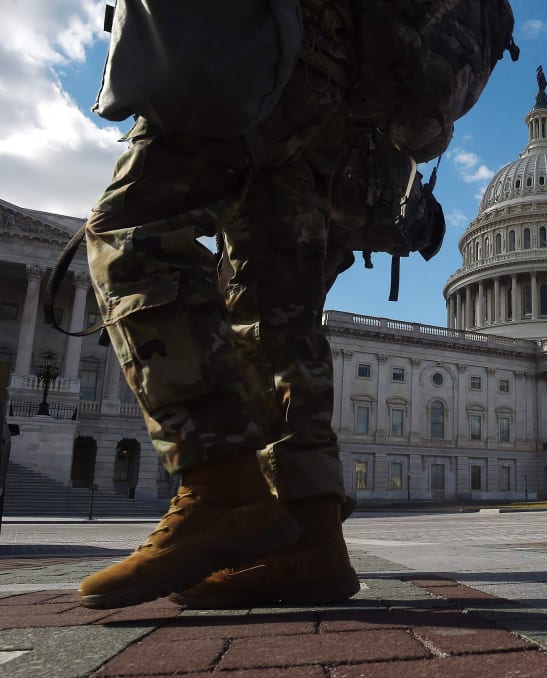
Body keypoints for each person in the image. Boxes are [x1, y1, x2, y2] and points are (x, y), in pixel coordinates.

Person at [77, 1, 364, 610]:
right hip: (337, 88)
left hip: (251, 38)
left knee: (133, 232)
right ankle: (314, 538)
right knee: (276, 307)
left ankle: (222, 487)